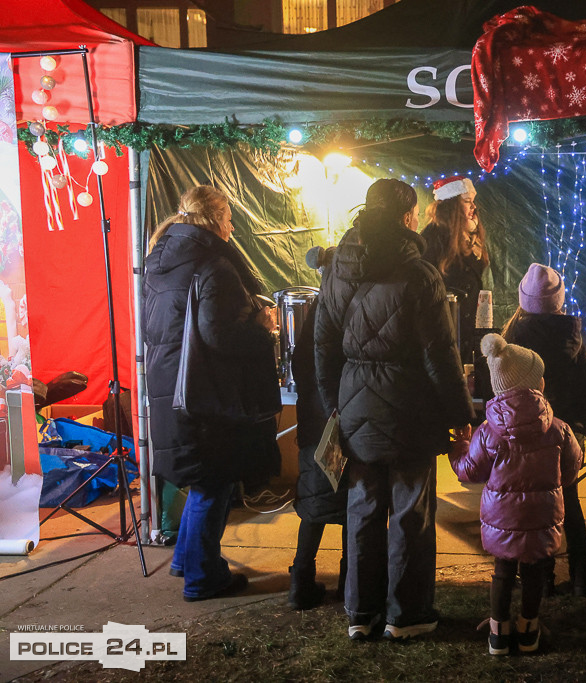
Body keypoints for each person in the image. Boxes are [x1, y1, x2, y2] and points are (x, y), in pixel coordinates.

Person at [314, 178, 474, 640]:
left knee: (362, 510)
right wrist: (459, 412)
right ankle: (408, 615)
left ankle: (360, 615)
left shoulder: (338, 268)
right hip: (411, 407)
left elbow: (322, 344)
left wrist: (334, 406)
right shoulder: (421, 274)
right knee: (410, 514)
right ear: (407, 218)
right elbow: (439, 353)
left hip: (355, 403)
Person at [142, 185, 281, 602]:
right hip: (204, 391)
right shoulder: (214, 265)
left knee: (204, 479)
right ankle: (203, 577)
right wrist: (262, 326)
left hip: (170, 384)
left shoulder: (160, 260)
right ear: (216, 220)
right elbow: (218, 334)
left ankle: (186, 559)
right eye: (230, 218)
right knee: (214, 481)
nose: (233, 226)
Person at [448, 333, 582, 655]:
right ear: (537, 385)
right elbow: (572, 466)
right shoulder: (558, 429)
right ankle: (528, 631)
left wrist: (459, 446)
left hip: (502, 518)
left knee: (503, 571)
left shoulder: (488, 432)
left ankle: (498, 634)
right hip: (541, 516)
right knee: (534, 571)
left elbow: (469, 470)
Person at [502, 263, 586, 597]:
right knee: (568, 500)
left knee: (534, 508)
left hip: (527, 436)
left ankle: (541, 579)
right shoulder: (574, 340)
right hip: (566, 435)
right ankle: (581, 575)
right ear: (558, 301)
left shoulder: (512, 341)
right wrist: (581, 431)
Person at [287, 246, 347, 611]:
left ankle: (300, 581)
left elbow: (301, 366)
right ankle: (350, 580)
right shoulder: (348, 310)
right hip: (343, 420)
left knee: (314, 503)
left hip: (314, 425)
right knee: (351, 504)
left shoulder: (314, 315)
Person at [420, 176, 490, 362]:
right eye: (467, 202)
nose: (473, 207)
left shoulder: (470, 236)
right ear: (452, 206)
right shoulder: (432, 238)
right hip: (445, 328)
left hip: (465, 328)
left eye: (473, 202)